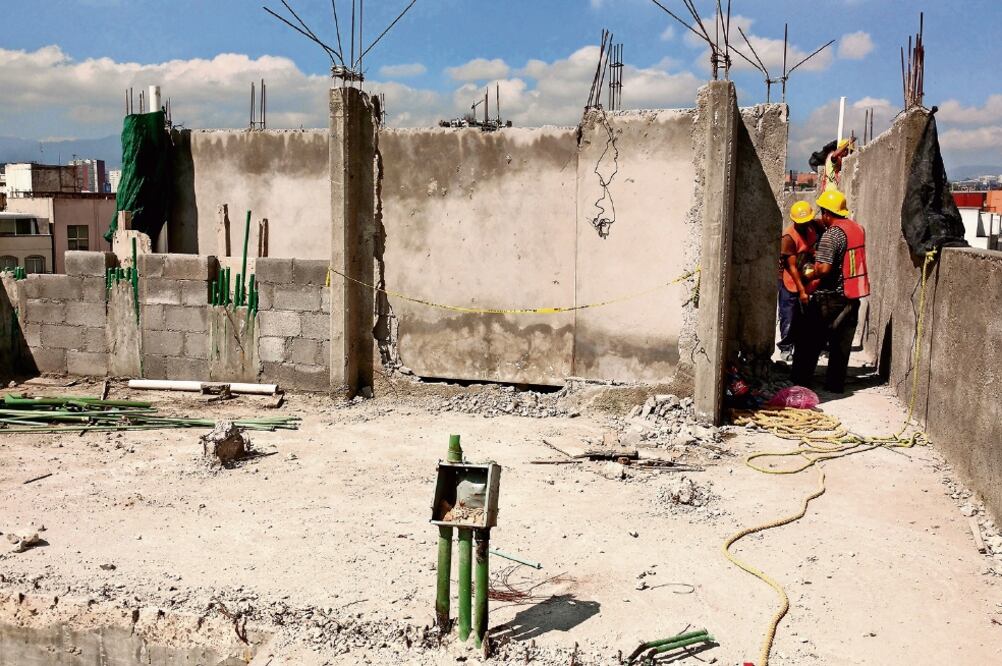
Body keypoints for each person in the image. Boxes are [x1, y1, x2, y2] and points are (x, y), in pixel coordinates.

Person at [791, 189, 870, 393]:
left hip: (830, 297)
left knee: (810, 339)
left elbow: (824, 269)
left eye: (822, 213)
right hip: (852, 294)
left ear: (827, 213)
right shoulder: (856, 228)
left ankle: (801, 381)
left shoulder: (830, 235)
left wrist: (808, 273)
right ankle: (835, 384)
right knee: (841, 344)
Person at [777, 201, 822, 363]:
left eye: (807, 221)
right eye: (801, 223)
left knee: (804, 316)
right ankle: (786, 348)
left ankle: (801, 346)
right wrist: (802, 291)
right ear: (795, 221)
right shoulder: (789, 238)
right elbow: (792, 268)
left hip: (805, 276)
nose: (804, 225)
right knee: (788, 315)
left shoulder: (812, 228)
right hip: (790, 280)